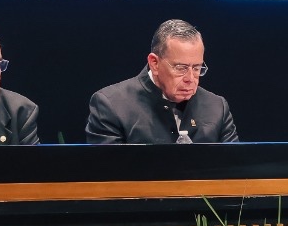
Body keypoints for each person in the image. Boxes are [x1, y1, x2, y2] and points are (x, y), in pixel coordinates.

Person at [86, 19, 237, 143]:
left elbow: (235, 167)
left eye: (197, 68)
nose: (190, 79)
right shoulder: (112, 105)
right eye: (181, 68)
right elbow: (108, 169)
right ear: (154, 63)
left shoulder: (217, 107)